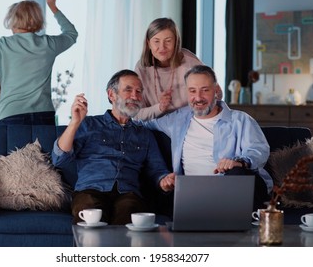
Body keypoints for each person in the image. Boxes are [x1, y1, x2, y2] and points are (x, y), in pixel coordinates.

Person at [51, 69, 176, 225]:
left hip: (128, 194)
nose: (134, 96)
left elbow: (158, 170)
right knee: (90, 213)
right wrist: (75, 122)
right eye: (128, 90)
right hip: (90, 191)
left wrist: (164, 180)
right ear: (111, 95)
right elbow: (59, 159)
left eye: (138, 91)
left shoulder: (145, 135)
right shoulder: (89, 124)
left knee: (129, 214)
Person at [140, 65, 272, 209]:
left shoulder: (240, 120)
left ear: (216, 91)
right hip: (191, 194)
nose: (198, 98)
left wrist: (239, 162)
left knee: (238, 173)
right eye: (192, 91)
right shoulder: (177, 119)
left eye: (205, 90)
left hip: (232, 189)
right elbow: (141, 124)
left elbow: (259, 149)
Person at [0, 0, 77, 125]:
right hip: (43, 116)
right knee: (45, 148)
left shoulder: (3, 46)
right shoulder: (48, 44)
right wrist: (53, 7)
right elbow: (71, 34)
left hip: (11, 114)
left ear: (13, 20)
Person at [134, 17, 222, 120]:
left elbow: (216, 95)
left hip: (188, 125)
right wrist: (159, 107)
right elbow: (136, 115)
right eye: (156, 41)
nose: (162, 47)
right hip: (153, 128)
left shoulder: (190, 63)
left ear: (176, 42)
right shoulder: (141, 68)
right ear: (149, 43)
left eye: (168, 41)